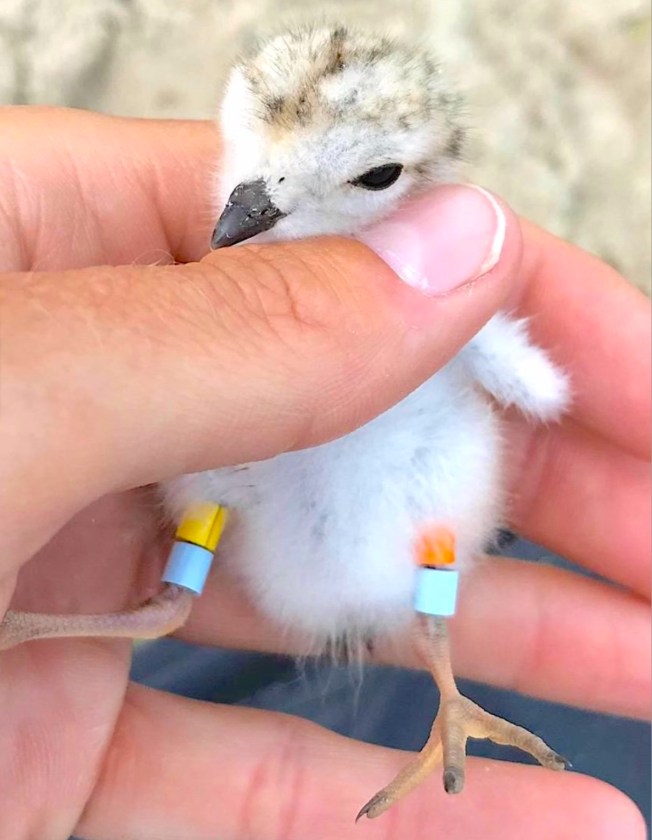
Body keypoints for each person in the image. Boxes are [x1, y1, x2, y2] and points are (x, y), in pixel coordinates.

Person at [0, 107, 649, 840]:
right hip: (319, 528)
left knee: (251, 485)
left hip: (367, 516)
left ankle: (422, 674)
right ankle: (436, 676)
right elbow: (539, 391)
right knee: (227, 473)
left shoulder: (435, 301)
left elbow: (538, 388)